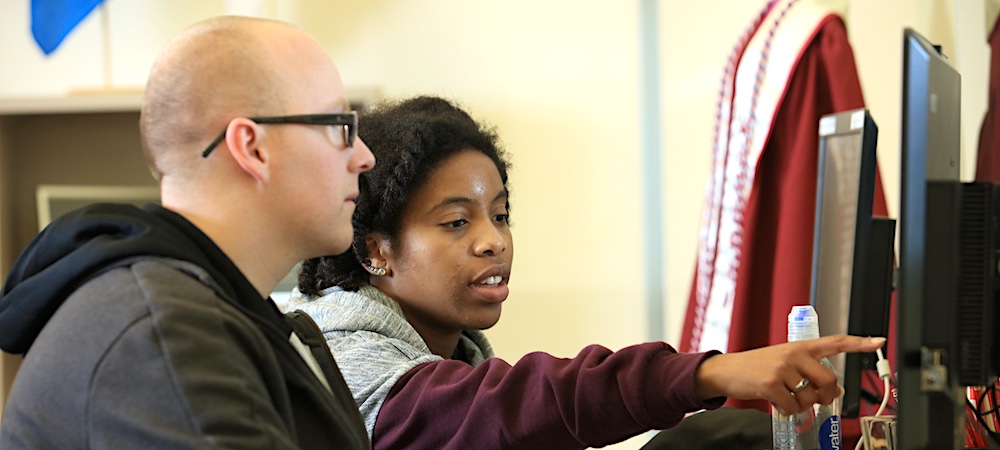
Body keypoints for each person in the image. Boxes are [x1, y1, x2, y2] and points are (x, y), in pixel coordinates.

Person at [289, 95, 886, 449]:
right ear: (376, 252)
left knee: (711, 441)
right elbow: (507, 407)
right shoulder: (342, 356)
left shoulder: (455, 352)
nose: (493, 241)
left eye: (500, 215)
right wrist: (710, 373)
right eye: (456, 223)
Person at [0, 16, 375, 449]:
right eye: (340, 126)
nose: (364, 156)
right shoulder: (165, 341)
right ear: (253, 148)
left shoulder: (224, 317)